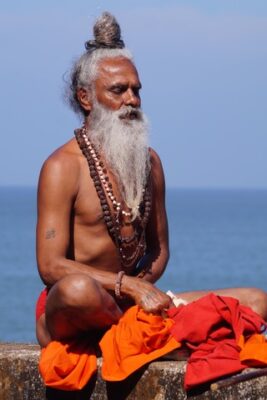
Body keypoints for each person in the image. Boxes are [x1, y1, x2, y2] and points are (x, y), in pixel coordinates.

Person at [36, 12, 267, 349]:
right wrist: (129, 287)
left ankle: (140, 333)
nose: (132, 100)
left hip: (132, 306)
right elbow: (49, 265)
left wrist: (143, 287)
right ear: (86, 98)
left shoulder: (151, 163)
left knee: (256, 300)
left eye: (136, 90)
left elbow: (159, 249)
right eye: (119, 90)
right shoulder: (62, 166)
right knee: (78, 290)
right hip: (78, 308)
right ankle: (152, 337)